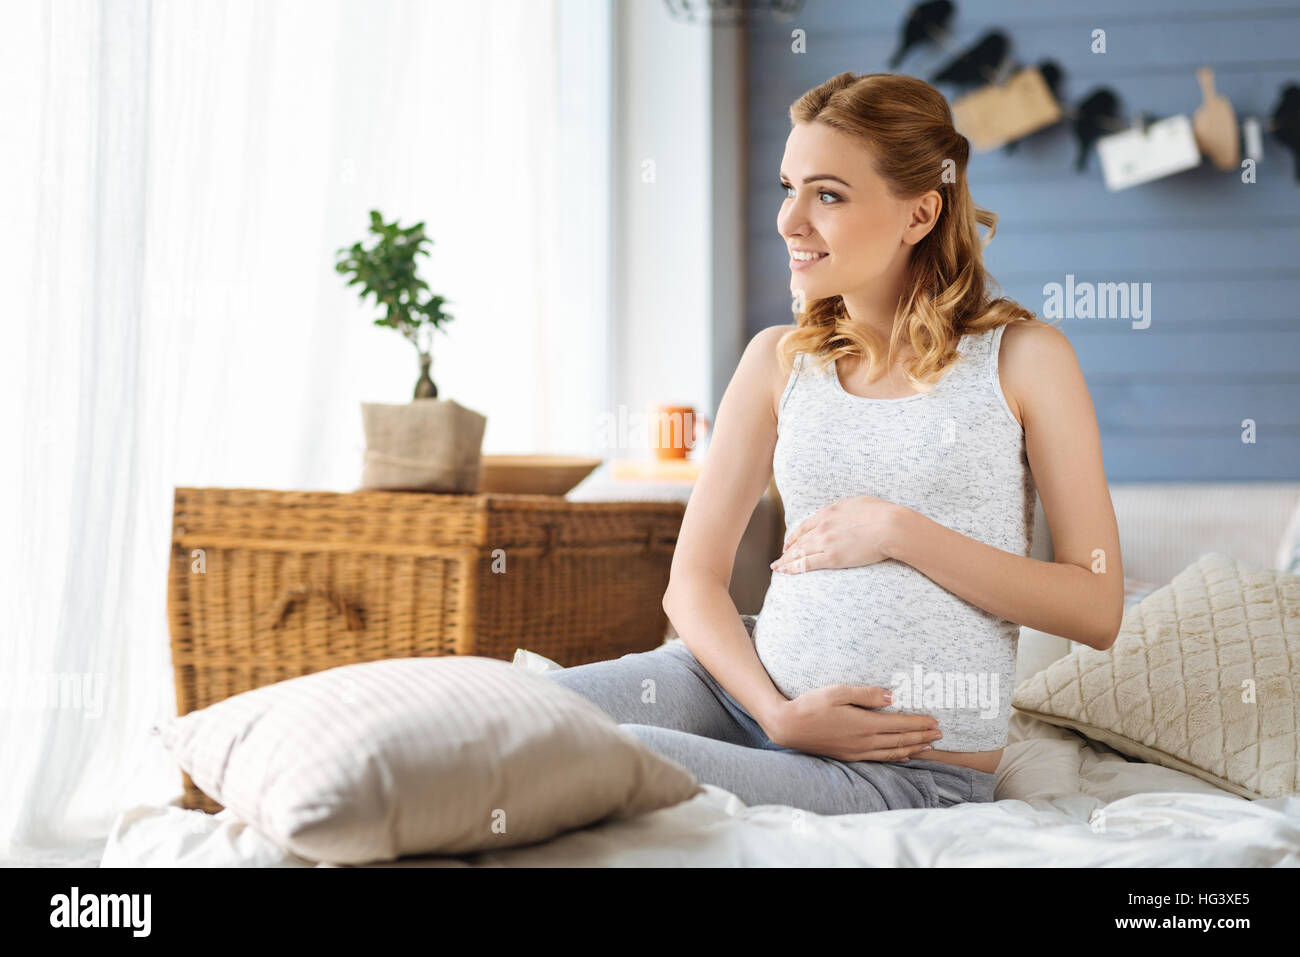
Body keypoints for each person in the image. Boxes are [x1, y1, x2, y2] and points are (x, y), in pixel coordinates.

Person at [544, 71, 1125, 816]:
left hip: (902, 771)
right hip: (735, 691)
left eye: (828, 194)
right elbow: (691, 580)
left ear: (920, 212)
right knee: (513, 712)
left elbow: (1097, 604)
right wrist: (775, 710)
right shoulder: (777, 361)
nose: (790, 220)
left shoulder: (1024, 359)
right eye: (788, 188)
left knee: (590, 760)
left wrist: (898, 530)